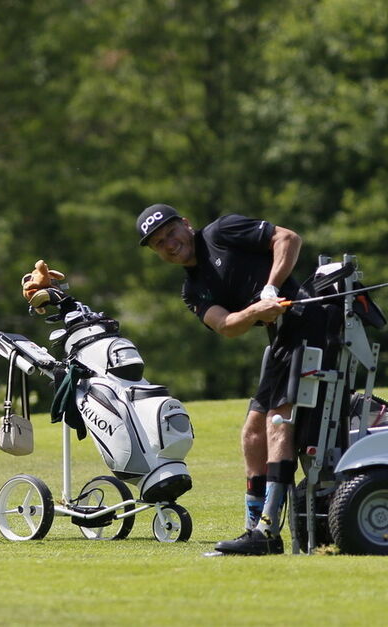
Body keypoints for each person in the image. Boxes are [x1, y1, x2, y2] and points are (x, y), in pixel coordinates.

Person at [138, 203, 324, 555]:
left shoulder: (221, 232)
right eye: (159, 243)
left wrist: (271, 287)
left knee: (277, 420)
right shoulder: (192, 291)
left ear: (186, 224)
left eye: (171, 232)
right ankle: (255, 528)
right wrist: (254, 311)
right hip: (281, 339)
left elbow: (288, 238)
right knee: (253, 433)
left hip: (305, 321)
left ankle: (268, 530)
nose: (170, 243)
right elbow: (225, 326)